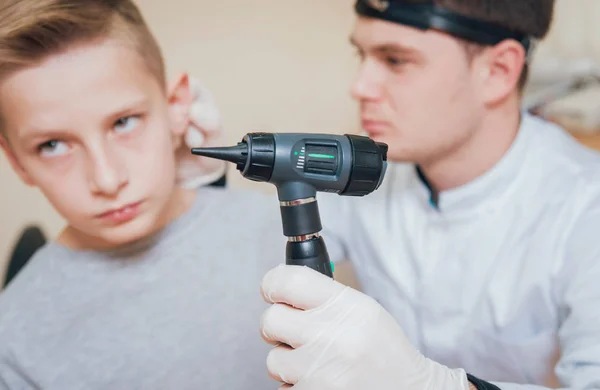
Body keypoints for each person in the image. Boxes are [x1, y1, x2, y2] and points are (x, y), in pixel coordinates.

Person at [182, 0, 600, 389]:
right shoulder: (369, 170)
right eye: (361, 56)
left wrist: (433, 386)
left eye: (395, 60)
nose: (360, 86)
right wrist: (203, 183)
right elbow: (258, 250)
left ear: (498, 71)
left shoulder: (585, 207)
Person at [0, 1, 287, 389]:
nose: (106, 179)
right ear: (16, 161)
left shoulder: (279, 227)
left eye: (123, 122)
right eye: (52, 145)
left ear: (176, 108)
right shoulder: (12, 342)